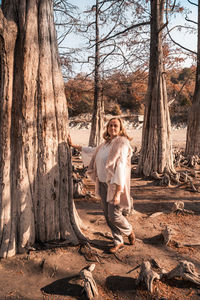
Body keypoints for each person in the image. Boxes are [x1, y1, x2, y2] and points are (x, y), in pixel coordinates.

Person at [68, 117, 135, 253]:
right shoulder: (105, 144)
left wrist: (117, 192)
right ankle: (118, 241)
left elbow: (121, 166)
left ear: (121, 128)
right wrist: (74, 146)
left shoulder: (122, 143)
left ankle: (129, 230)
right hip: (103, 183)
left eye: (115, 125)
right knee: (106, 214)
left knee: (114, 215)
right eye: (110, 125)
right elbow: (92, 151)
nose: (112, 128)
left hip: (115, 184)